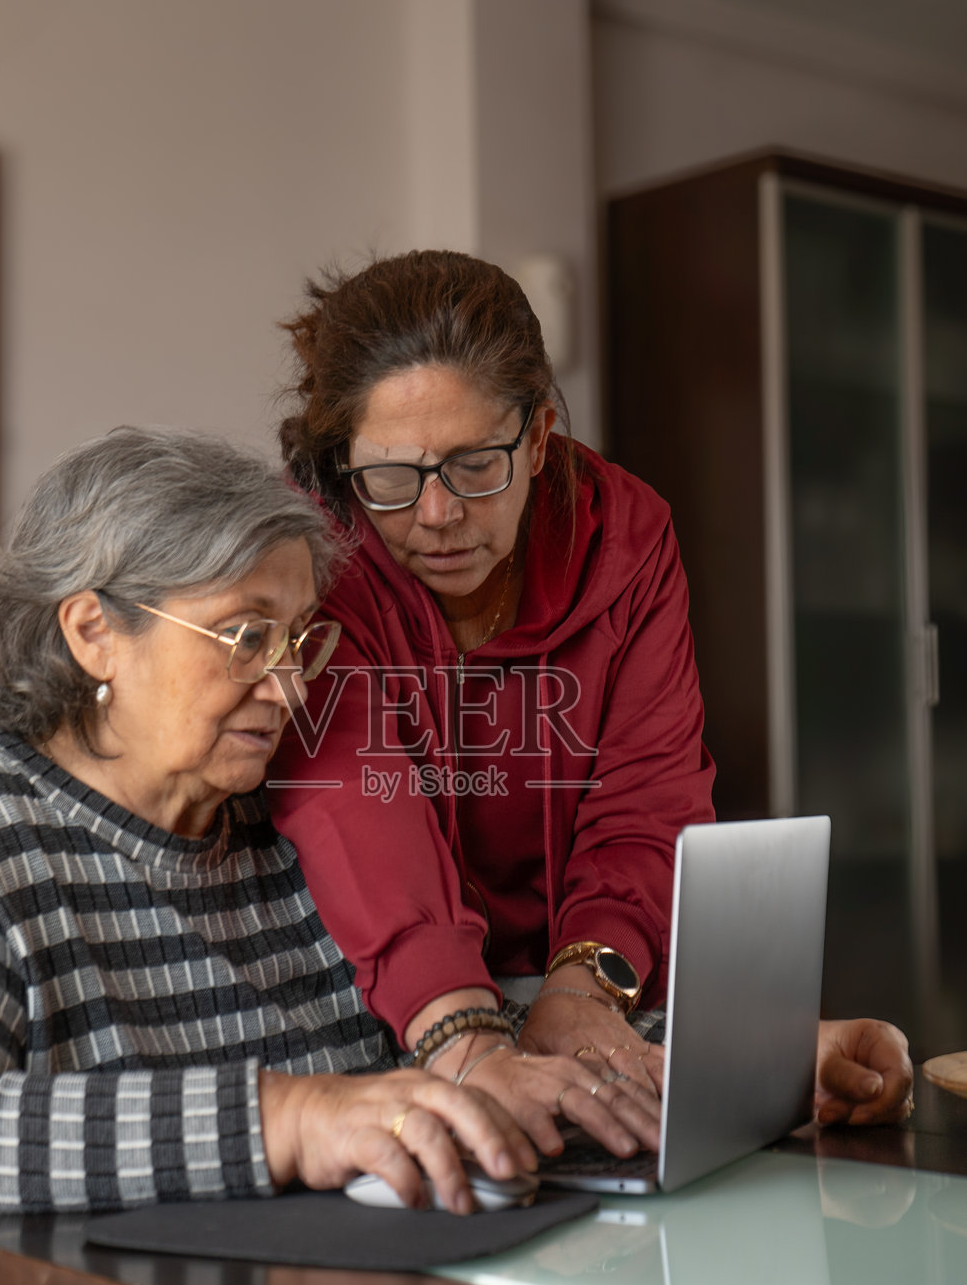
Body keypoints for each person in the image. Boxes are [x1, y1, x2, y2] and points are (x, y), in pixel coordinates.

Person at [270, 249, 914, 1152]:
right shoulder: (312, 557)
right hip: (381, 1004)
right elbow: (353, 811)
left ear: (537, 438)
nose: (437, 514)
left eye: (475, 465)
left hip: (577, 985)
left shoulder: (626, 535)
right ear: (343, 463)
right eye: (391, 475)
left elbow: (645, 799)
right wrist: (463, 1038)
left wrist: (581, 994)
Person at [0, 426, 538, 1245]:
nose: (287, 688)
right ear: (94, 634)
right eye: (245, 637)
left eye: (301, 641)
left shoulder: (284, 818)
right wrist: (286, 1118)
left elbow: (413, 1066)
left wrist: (603, 1063)